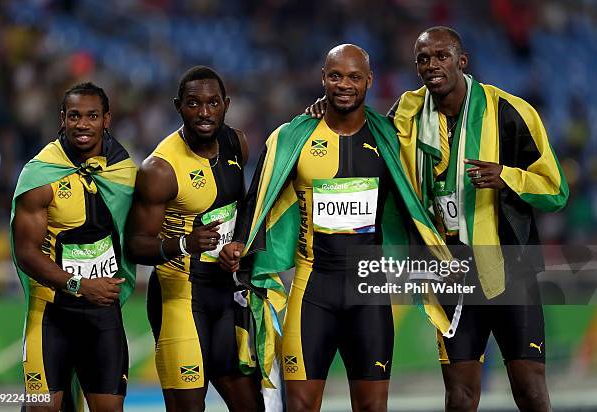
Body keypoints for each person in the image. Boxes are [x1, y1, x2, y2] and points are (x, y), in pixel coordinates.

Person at [307, 27, 568, 411]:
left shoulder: (510, 111)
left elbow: (555, 190)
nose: (433, 65)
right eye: (424, 58)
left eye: (442, 56)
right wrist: (326, 107)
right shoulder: (407, 112)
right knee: (460, 395)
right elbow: (367, 130)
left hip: (510, 267)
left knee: (529, 387)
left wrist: (507, 177)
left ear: (462, 61)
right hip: (447, 271)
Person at [220, 44, 449, 412]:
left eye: (354, 77)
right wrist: (239, 244)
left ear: (369, 81)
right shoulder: (292, 137)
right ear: (323, 78)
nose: (344, 84)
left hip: (370, 295)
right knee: (300, 407)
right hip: (312, 291)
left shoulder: (391, 138)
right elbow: (257, 197)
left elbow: (419, 182)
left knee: (373, 408)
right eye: (336, 76)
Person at [125, 66, 264, 412]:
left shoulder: (237, 143)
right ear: (178, 106)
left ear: (226, 104)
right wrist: (184, 244)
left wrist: (239, 245)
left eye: (212, 103)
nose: (204, 113)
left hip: (227, 295)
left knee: (252, 404)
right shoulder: (160, 169)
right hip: (181, 298)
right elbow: (135, 244)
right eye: (193, 104)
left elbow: (242, 206)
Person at [11, 82, 137, 412]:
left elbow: (136, 233)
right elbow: (26, 251)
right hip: (52, 314)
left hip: (102, 316)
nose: (83, 124)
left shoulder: (124, 172)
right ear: (62, 119)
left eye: (92, 116)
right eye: (75, 116)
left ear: (106, 119)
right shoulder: (40, 175)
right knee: (42, 408)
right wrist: (79, 285)